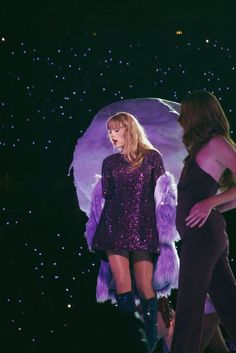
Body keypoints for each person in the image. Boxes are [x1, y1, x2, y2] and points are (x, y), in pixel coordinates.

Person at [85, 112, 180, 353]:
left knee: (146, 287)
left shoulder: (152, 158)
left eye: (116, 130)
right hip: (113, 229)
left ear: (129, 130)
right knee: (123, 287)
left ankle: (150, 342)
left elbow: (162, 194)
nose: (112, 135)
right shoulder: (109, 163)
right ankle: (132, 345)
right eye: (109, 131)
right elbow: (106, 197)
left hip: (143, 229)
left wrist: (167, 229)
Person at [170, 91, 236, 353]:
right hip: (203, 235)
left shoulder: (217, 143)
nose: (181, 120)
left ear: (198, 114)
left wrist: (210, 204)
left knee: (189, 303)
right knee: (227, 300)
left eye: (185, 114)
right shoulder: (201, 148)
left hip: (202, 237)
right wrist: (217, 207)